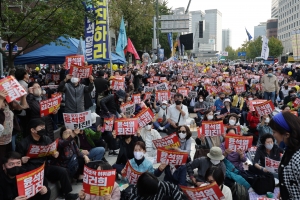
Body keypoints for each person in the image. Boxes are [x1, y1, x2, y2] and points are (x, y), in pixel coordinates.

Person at [16, 119, 78, 200]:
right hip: (32, 170)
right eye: (40, 127)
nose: (43, 129)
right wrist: (21, 160)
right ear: (33, 130)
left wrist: (54, 154)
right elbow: (17, 161)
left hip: (45, 166)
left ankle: (67, 193)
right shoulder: (23, 143)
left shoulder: (46, 139)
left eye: (44, 127)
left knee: (63, 171)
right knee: (44, 187)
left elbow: (50, 154)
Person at [269, 112, 300, 199]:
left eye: (274, 132)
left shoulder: (298, 159)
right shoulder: (289, 150)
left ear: (287, 135)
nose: (273, 135)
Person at [100, 89, 127, 156]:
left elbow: (117, 107)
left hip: (113, 117)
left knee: (113, 133)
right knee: (108, 133)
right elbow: (102, 102)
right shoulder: (111, 96)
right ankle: (110, 149)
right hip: (106, 117)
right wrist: (107, 111)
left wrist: (121, 113)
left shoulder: (118, 100)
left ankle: (113, 149)